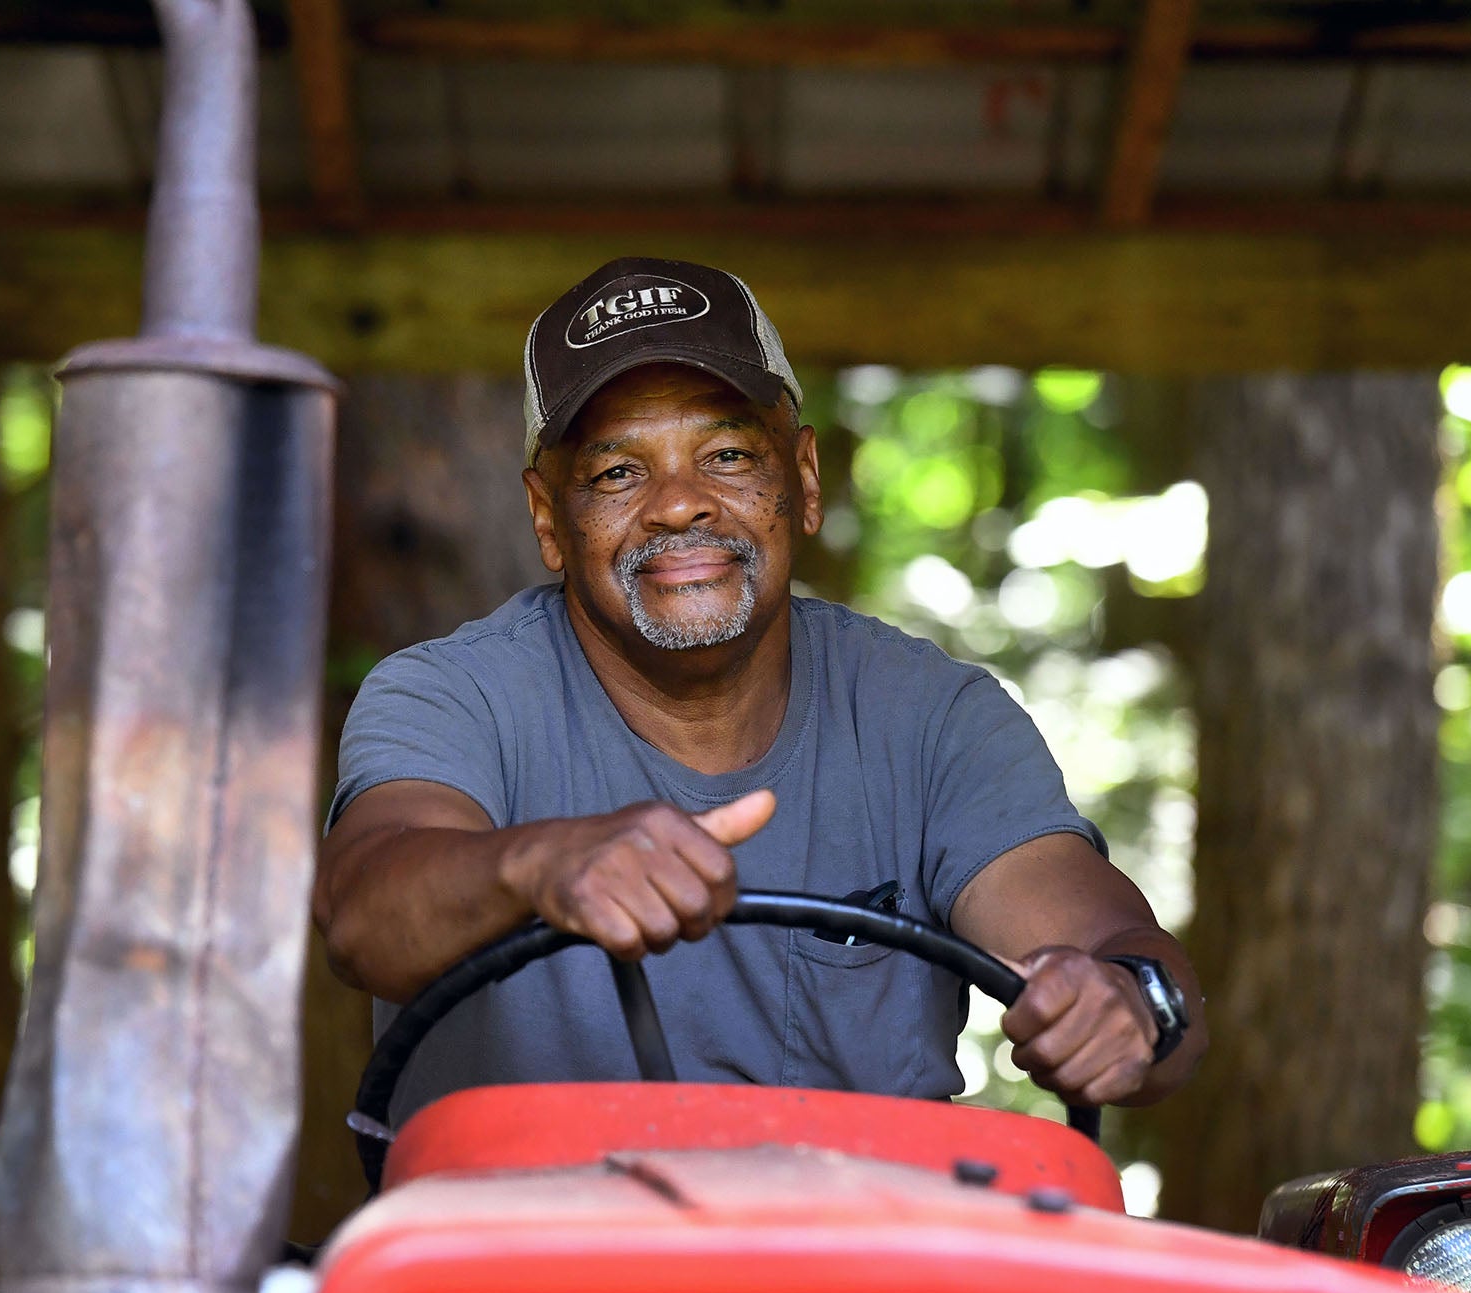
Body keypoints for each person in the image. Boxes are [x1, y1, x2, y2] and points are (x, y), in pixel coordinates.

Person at [315, 256, 1204, 1126]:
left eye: (729, 454)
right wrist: (536, 863)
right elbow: (363, 913)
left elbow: (1120, 955)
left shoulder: (933, 720)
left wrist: (1125, 1003)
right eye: (619, 472)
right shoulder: (448, 697)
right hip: (520, 1257)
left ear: (804, 481)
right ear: (550, 520)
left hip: (851, 1257)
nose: (678, 504)